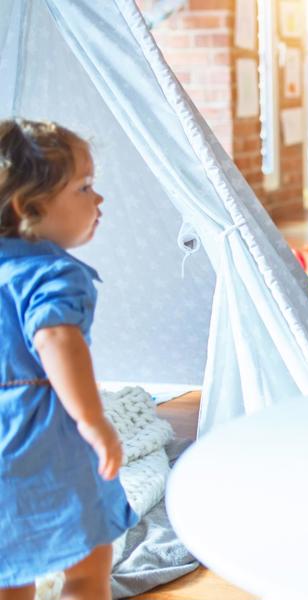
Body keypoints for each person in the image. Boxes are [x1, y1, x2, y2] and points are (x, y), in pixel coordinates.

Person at [0, 119, 136, 599]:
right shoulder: (51, 272)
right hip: (42, 444)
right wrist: (92, 420)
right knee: (85, 567)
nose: (98, 200)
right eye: (84, 186)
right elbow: (55, 335)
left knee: (9, 571)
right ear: (29, 208)